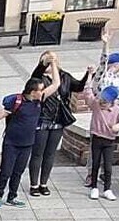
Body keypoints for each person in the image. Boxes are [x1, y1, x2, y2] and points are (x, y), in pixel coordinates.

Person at [24, 53, 83, 198]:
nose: (51, 62)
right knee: (38, 153)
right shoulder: (38, 79)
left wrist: (89, 74)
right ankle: (34, 185)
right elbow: (38, 75)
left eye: (54, 60)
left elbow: (78, 86)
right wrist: (44, 63)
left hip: (58, 120)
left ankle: (43, 184)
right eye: (48, 60)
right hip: (42, 120)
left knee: (50, 154)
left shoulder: (64, 76)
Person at [0, 83, 46, 209]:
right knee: (6, 171)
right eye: (40, 90)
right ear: (32, 91)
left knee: (18, 172)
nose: (43, 92)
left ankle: (12, 196)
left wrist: (52, 65)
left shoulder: (39, 102)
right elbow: (0, 114)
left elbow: (56, 84)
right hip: (11, 143)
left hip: (27, 144)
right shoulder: (17, 101)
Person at [86, 85, 119, 200]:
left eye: (105, 101)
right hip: (97, 138)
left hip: (109, 141)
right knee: (95, 164)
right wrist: (89, 77)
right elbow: (88, 95)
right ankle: (94, 187)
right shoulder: (96, 105)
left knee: (108, 166)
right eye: (101, 100)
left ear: (112, 102)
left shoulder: (118, 110)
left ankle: (107, 189)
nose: (102, 103)